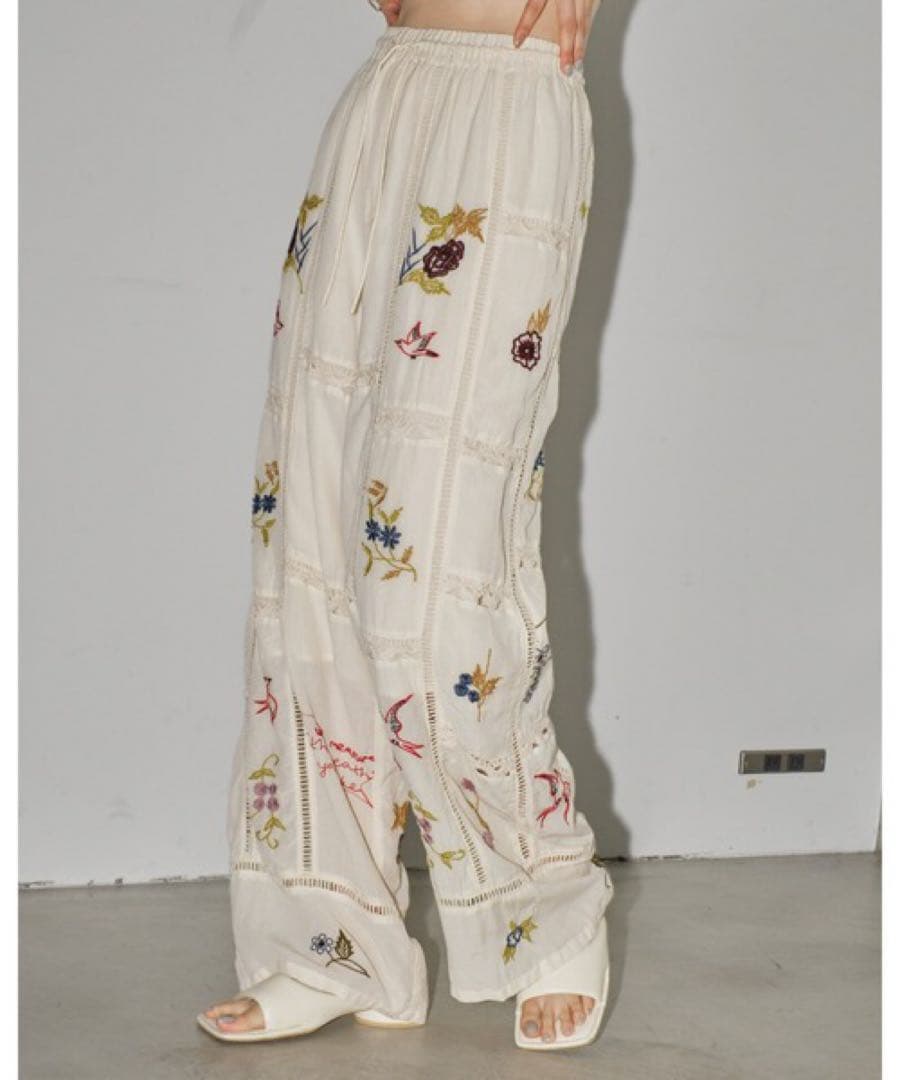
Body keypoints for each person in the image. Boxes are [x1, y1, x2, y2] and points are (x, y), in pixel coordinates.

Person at [197, 0, 613, 1051]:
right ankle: (335, 942)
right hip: (389, 94)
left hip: (511, 100)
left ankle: (542, 906)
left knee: (433, 578)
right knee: (310, 544)